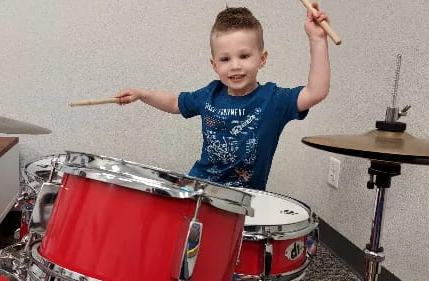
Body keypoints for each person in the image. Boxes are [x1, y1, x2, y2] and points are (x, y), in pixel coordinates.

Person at [114, 4, 330, 191]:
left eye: (244, 56)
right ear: (214, 65)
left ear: (262, 59)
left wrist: (317, 39)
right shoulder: (210, 94)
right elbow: (173, 102)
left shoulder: (273, 100)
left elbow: (316, 92)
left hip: (242, 201)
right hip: (200, 189)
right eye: (225, 59)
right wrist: (141, 94)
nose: (235, 66)